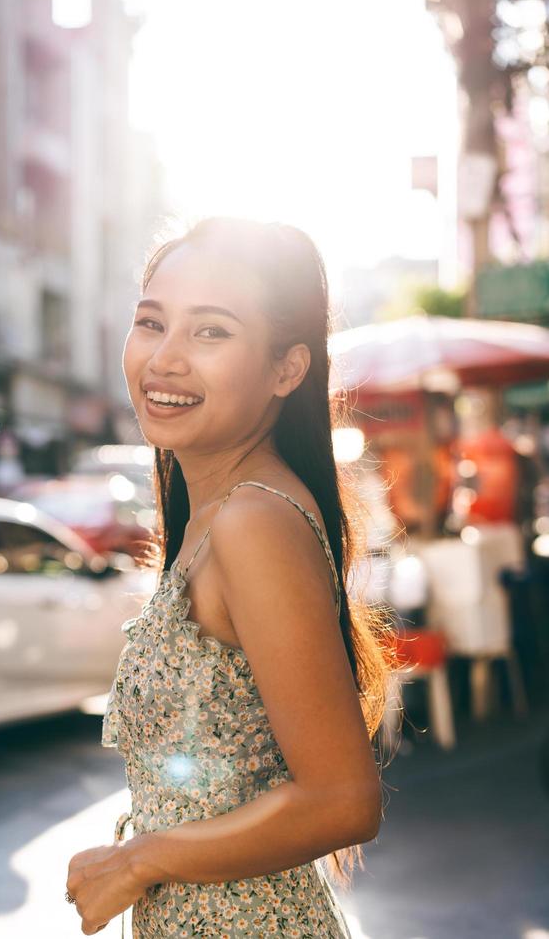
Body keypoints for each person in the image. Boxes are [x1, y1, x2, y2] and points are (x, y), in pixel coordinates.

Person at [66, 217, 396, 937]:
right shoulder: (217, 512)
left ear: (287, 369)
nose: (166, 359)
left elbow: (344, 799)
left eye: (211, 332)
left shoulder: (253, 522)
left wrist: (138, 860)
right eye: (151, 323)